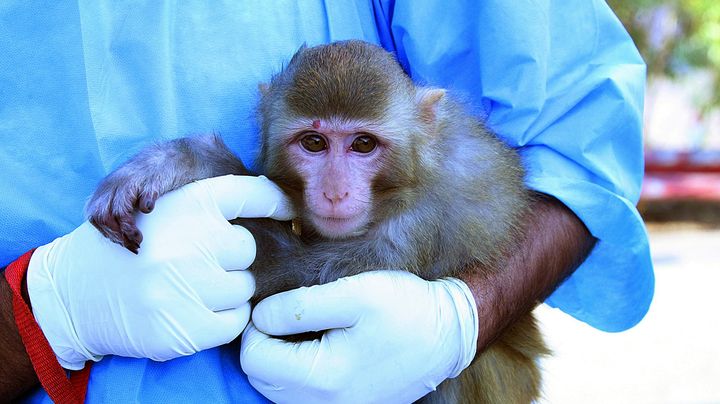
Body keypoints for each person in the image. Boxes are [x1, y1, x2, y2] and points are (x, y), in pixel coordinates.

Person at [0, 1, 654, 402]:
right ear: (266, 113)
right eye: (312, 144)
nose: (339, 187)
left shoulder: (434, 189)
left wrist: (461, 317)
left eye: (364, 145)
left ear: (426, 124)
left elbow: (581, 141)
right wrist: (47, 309)